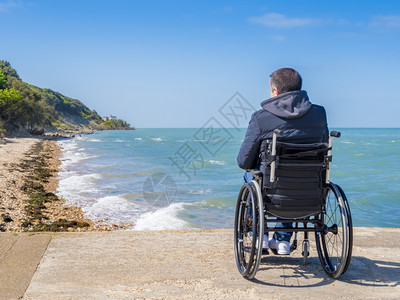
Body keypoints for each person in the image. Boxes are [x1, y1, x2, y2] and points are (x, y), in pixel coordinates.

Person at [237, 67, 328, 254]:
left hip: (274, 192)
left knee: (253, 177)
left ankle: (259, 236)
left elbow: (243, 161)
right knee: (295, 175)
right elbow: (324, 146)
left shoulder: (261, 117)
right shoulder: (320, 114)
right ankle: (282, 241)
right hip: (310, 191)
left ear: (275, 91)